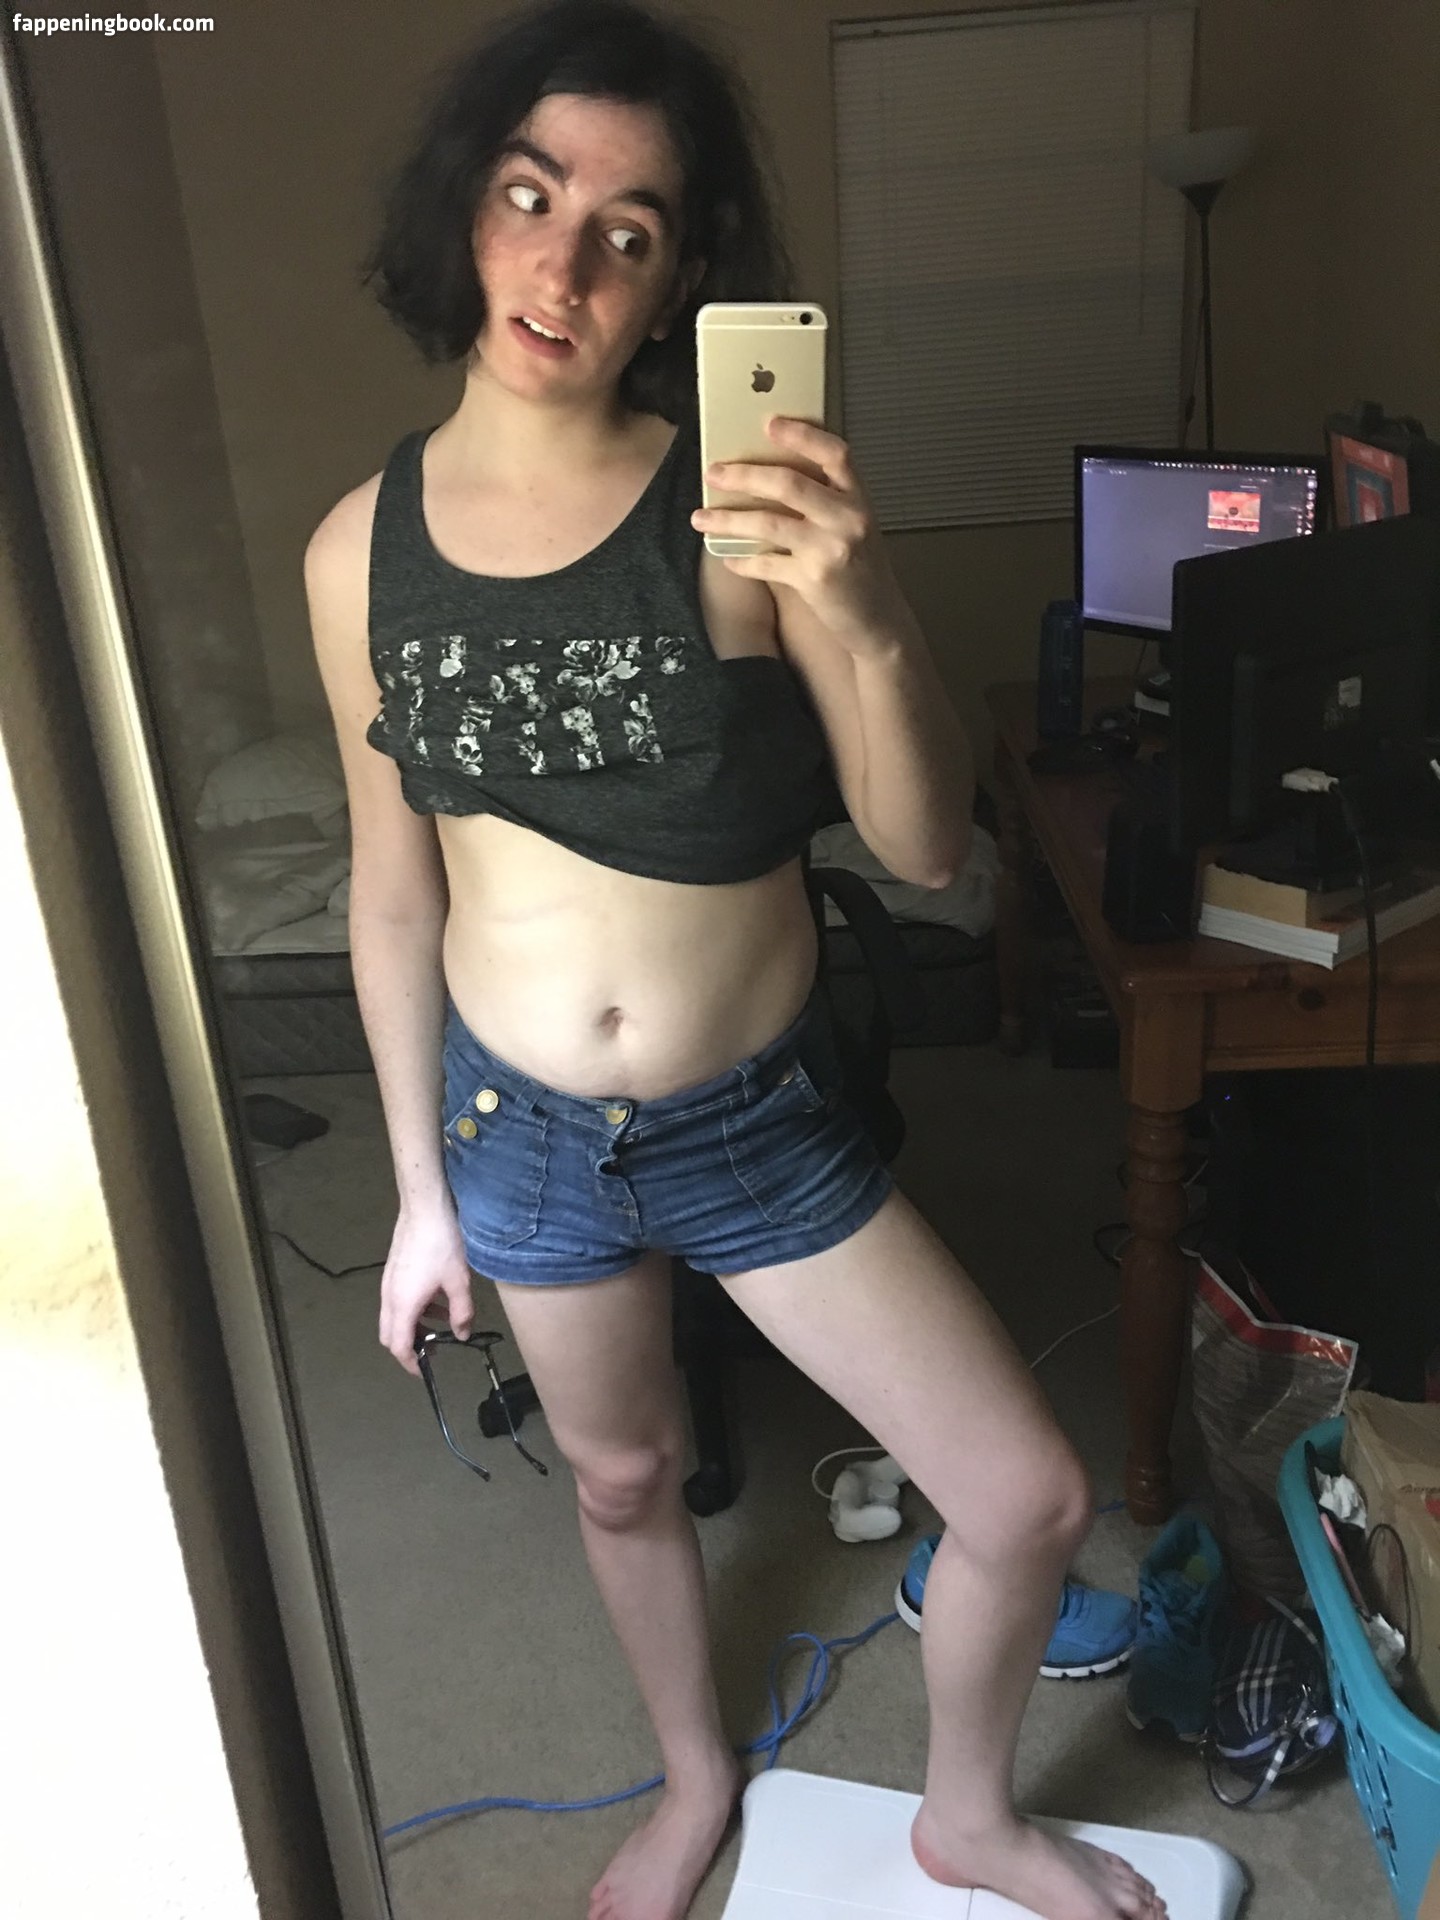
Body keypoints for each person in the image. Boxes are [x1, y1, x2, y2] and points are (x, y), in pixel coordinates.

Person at [304, 5, 1165, 1919]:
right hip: (524, 1133)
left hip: (755, 1123)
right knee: (623, 1479)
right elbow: (393, 893)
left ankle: (969, 1816)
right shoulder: (356, 555)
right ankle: (695, 1775)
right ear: (465, 211)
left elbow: (924, 846)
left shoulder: (739, 506)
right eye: (531, 196)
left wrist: (866, 605)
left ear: (682, 275)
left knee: (1025, 1495)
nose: (565, 265)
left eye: (628, 230)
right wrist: (421, 1196)